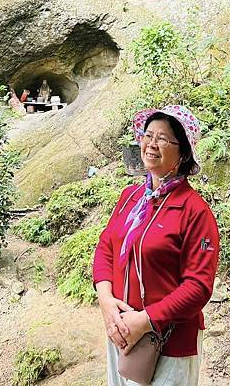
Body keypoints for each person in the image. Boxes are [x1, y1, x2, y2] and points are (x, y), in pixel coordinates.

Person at [93, 105, 219, 386]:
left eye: (162, 138)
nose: (151, 144)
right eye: (148, 135)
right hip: (121, 333)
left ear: (184, 152)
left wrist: (145, 320)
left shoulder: (194, 211)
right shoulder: (130, 197)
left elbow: (198, 287)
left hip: (169, 343)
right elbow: (105, 248)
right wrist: (106, 302)